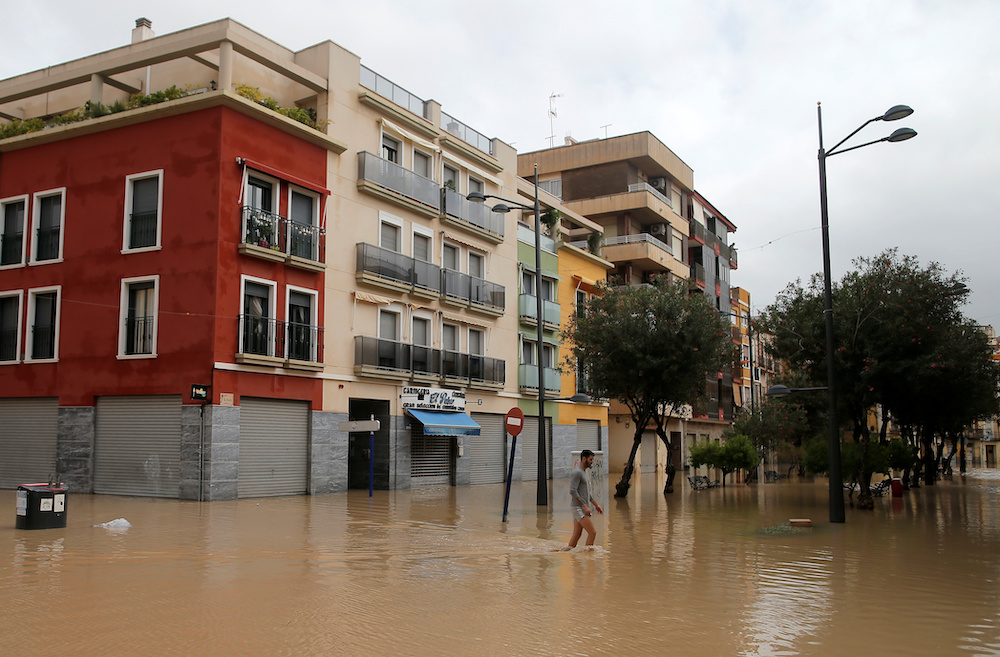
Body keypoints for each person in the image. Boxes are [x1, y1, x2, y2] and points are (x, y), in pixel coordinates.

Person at [567, 449, 603, 549]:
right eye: (591, 459)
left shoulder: (584, 472)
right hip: (578, 508)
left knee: (577, 535)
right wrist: (584, 506)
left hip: (581, 508)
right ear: (584, 459)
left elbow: (587, 494)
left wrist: (596, 505)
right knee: (592, 532)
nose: (592, 462)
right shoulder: (577, 473)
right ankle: (588, 557)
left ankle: (570, 555)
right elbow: (572, 491)